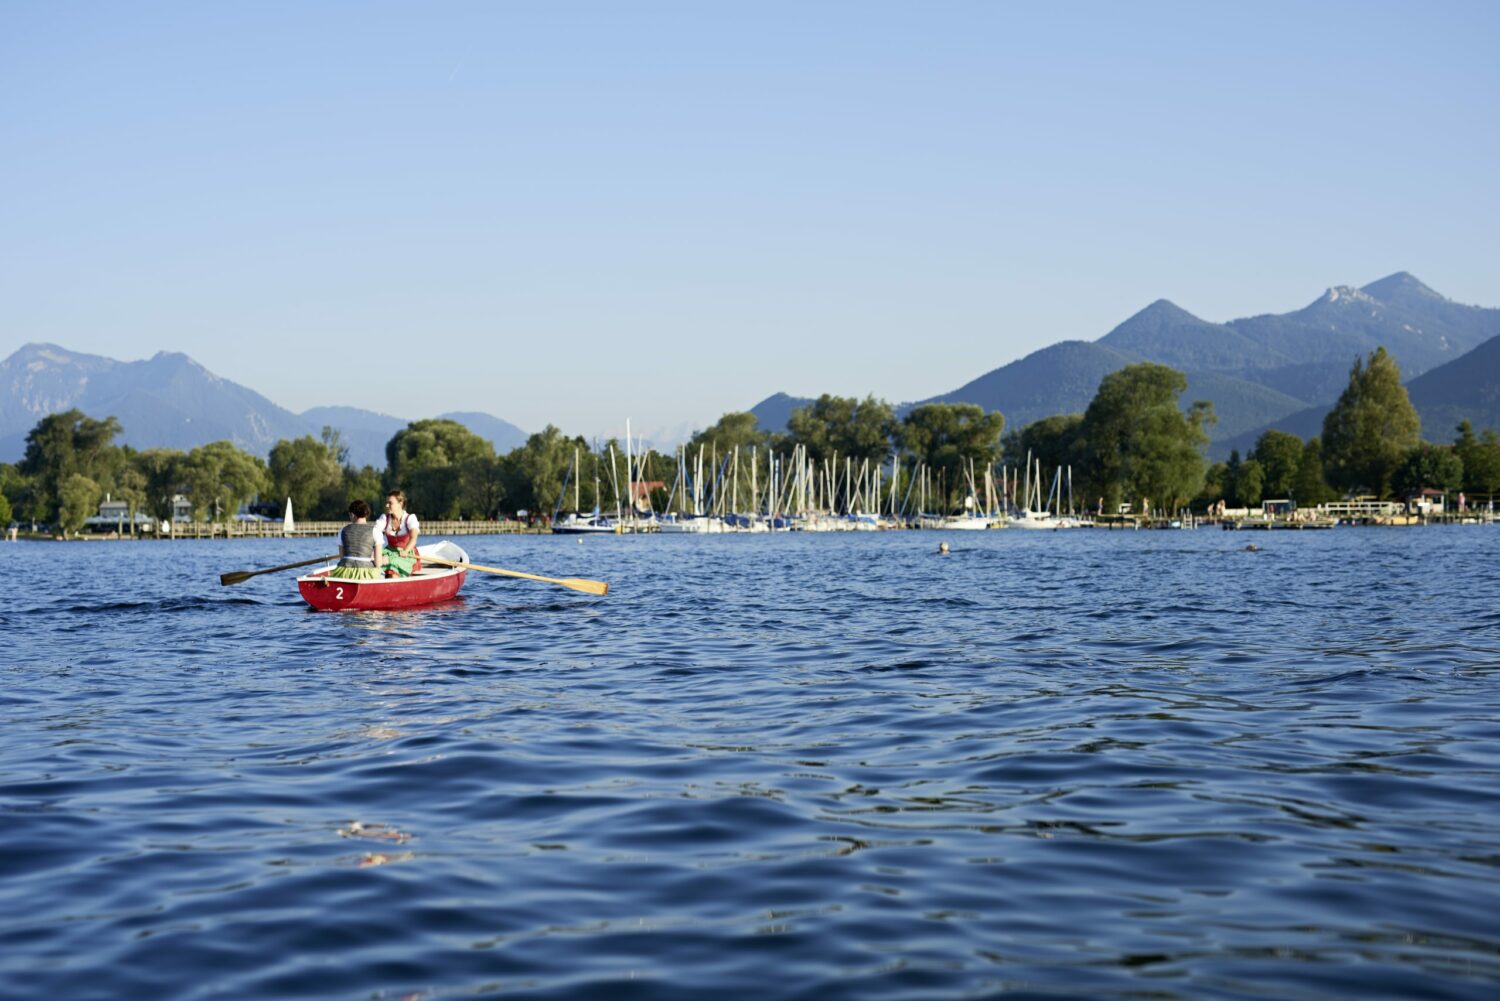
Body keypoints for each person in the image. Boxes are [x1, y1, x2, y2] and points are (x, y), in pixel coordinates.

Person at [329, 500, 384, 580]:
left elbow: (342, 558)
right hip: (366, 573)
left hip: (344, 572)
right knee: (382, 573)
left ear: (352, 514)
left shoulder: (342, 531)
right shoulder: (376, 531)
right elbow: (378, 563)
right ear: (366, 514)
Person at [373, 489, 421, 577]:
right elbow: (374, 533)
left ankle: (392, 583)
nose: (386, 505)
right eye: (386, 502)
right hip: (389, 552)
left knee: (393, 564)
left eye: (390, 503)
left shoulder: (410, 518)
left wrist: (406, 550)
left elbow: (413, 539)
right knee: (373, 563)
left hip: (406, 553)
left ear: (400, 503)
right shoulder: (384, 518)